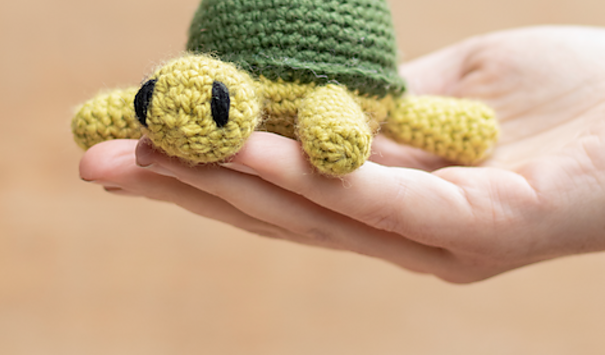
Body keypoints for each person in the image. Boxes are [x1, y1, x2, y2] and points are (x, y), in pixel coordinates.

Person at [79, 25, 605, 283]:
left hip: (352, 88)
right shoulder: (198, 85)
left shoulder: (329, 100)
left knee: (397, 119)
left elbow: (336, 128)